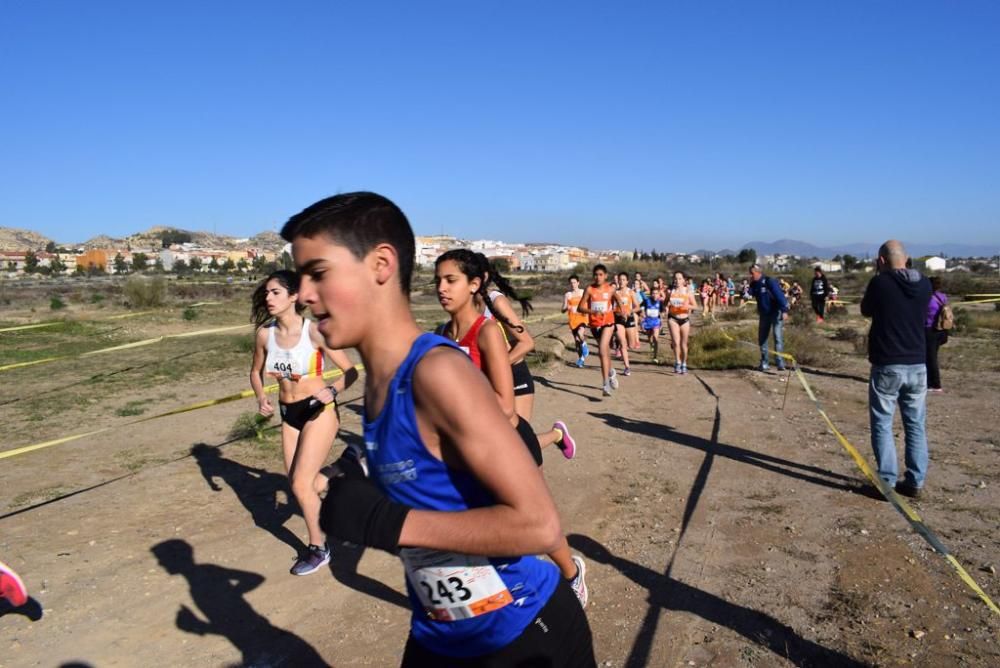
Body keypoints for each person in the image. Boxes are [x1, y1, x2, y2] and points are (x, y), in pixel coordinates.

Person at [282, 192, 596, 666]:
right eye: (300, 278)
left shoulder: (435, 372)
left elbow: (539, 524)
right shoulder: (378, 386)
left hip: (524, 633)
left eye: (319, 273)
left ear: (381, 265)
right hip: (439, 634)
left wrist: (383, 522)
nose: (303, 293)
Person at [434, 250, 587, 605]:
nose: (442, 288)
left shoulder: (486, 331)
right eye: (438, 281)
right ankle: (502, 598)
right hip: (470, 449)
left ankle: (572, 573)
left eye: (451, 280)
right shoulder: (442, 332)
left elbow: (504, 406)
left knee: (537, 522)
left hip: (508, 444)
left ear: (474, 284)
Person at [249, 270, 359, 575]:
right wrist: (261, 398)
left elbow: (351, 372)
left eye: (275, 293)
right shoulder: (264, 335)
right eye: (267, 293)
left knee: (299, 484)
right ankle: (342, 468)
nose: (268, 298)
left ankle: (318, 548)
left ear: (294, 296)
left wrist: (332, 390)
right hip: (289, 414)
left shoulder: (314, 333)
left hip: (318, 411)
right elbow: (255, 372)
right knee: (301, 485)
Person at [860, 240, 932, 498]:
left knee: (882, 423)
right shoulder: (924, 283)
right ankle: (915, 481)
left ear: (881, 261)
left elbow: (865, 310)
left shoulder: (880, 283)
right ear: (907, 258)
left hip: (888, 363)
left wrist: (880, 277)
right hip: (917, 363)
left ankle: (887, 481)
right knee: (915, 424)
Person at [478, 257, 538, 421]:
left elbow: (527, 342)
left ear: (482, 277)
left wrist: (498, 366)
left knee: (520, 441)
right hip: (488, 381)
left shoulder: (497, 301)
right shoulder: (467, 308)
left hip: (514, 375)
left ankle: (557, 434)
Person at [578, 264, 621, 397]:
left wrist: (623, 311)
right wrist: (592, 311)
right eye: (596, 275)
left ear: (606, 276)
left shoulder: (611, 289)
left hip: (608, 324)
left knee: (602, 351)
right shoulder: (590, 289)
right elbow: (580, 307)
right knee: (605, 354)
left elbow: (619, 301)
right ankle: (611, 372)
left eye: (601, 274)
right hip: (594, 325)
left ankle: (605, 384)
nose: (598, 277)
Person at [748, 264, 789, 372]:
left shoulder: (769, 281)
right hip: (764, 314)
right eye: (750, 274)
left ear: (758, 272)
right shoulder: (754, 284)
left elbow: (780, 296)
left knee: (777, 337)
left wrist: (784, 311)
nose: (750, 276)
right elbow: (748, 294)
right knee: (762, 339)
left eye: (752, 273)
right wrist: (745, 291)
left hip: (776, 313)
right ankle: (764, 363)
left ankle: (780, 363)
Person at [667, 271, 698, 374]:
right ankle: (677, 362)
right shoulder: (671, 291)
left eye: (680, 279)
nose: (677, 281)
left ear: (684, 280)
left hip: (684, 320)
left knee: (684, 344)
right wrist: (666, 301)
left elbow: (695, 306)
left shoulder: (688, 291)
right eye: (675, 279)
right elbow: (664, 303)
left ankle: (684, 363)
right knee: (676, 342)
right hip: (673, 318)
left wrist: (687, 306)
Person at [925, 276, 949, 394]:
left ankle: (934, 384)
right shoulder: (942, 297)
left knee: (930, 358)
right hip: (941, 330)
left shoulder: (927, 299)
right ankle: (931, 382)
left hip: (930, 329)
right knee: (932, 356)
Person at [613, 271, 642, 364]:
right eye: (620, 280)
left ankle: (623, 343)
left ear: (627, 281)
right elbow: (610, 307)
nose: (621, 281)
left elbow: (637, 307)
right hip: (618, 319)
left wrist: (630, 311)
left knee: (631, 345)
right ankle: (627, 366)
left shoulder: (631, 292)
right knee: (623, 343)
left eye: (623, 280)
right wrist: (617, 313)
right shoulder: (614, 293)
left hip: (629, 318)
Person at [562, 275, 590, 368]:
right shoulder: (567, 295)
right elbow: (562, 309)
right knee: (577, 342)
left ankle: (585, 345)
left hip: (582, 318)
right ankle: (581, 358)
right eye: (571, 283)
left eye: (574, 282)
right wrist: (567, 307)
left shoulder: (583, 292)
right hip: (573, 320)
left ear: (578, 283)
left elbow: (589, 303)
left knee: (580, 333)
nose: (573, 284)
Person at [640, 282, 665, 364]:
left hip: (656, 322)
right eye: (653, 293)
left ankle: (655, 357)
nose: (655, 295)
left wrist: (662, 321)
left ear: (659, 295)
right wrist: (642, 315)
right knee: (650, 338)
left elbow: (662, 313)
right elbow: (641, 309)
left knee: (655, 338)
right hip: (647, 322)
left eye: (657, 293)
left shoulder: (660, 303)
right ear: (651, 294)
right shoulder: (646, 301)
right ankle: (651, 345)